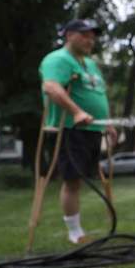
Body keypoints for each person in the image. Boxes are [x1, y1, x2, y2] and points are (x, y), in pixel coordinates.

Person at [39, 19, 118, 244]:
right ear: (69, 35)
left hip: (93, 129)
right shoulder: (57, 59)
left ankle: (80, 229)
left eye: (93, 36)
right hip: (70, 128)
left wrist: (108, 123)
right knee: (72, 180)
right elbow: (51, 87)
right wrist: (76, 112)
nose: (90, 40)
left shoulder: (90, 64)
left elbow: (99, 95)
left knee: (82, 180)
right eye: (85, 35)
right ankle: (75, 233)